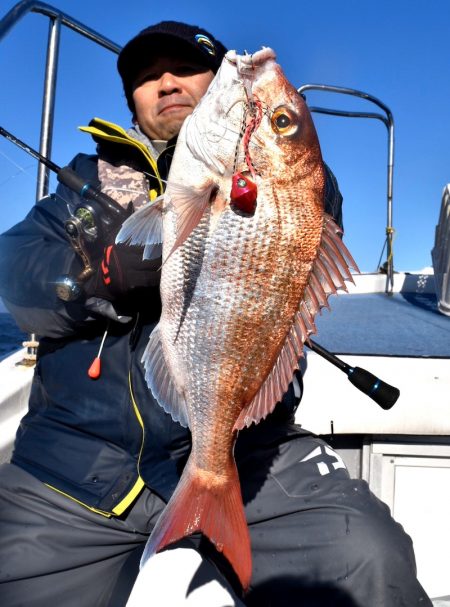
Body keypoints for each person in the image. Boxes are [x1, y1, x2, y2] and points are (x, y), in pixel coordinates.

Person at [0, 20, 431, 607]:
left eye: (185, 68)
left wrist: (264, 140)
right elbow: (15, 281)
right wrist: (100, 273)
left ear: (218, 85)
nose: (167, 82)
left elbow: (307, 199)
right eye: (148, 78)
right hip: (75, 463)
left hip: (248, 449)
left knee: (372, 561)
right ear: (132, 101)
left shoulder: (288, 181)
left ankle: (212, 486)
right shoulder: (73, 198)